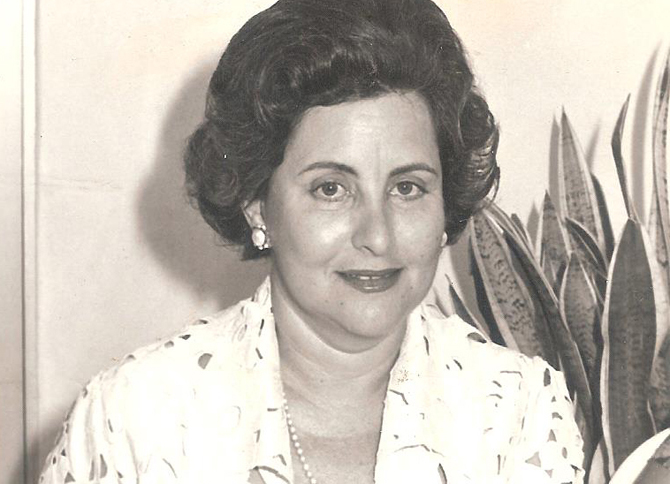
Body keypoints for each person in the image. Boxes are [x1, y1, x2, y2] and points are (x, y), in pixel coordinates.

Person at [40, 0, 584, 482]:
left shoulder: (519, 416)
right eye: (331, 189)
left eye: (407, 188)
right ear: (257, 205)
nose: (377, 236)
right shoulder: (132, 421)